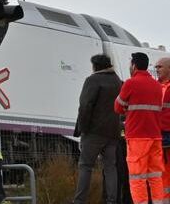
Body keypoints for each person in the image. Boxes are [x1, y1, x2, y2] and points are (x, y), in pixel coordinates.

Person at [71, 54, 123, 204]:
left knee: (85, 166)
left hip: (94, 132)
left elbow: (85, 106)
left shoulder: (92, 80)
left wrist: (83, 129)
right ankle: (112, 200)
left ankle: (79, 201)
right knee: (110, 168)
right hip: (113, 132)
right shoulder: (117, 81)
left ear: (95, 66)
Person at [114, 52, 164, 204]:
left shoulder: (130, 83)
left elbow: (117, 107)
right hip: (155, 135)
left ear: (134, 65)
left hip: (137, 137)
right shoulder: (157, 85)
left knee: (137, 177)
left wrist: (128, 108)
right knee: (155, 175)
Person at [156, 57, 170, 197]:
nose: (157, 69)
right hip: (157, 134)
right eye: (156, 67)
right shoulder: (155, 86)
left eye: (160, 66)